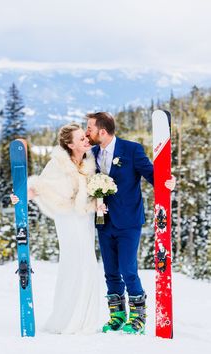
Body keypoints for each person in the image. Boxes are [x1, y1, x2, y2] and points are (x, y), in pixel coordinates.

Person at [85, 112, 176, 334]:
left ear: (102, 131)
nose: (87, 132)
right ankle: (117, 315)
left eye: (89, 128)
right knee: (111, 271)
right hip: (103, 221)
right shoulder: (92, 153)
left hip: (128, 221)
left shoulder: (132, 150)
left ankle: (138, 317)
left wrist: (168, 182)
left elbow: (152, 175)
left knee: (128, 269)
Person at [11, 123, 100, 334]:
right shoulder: (57, 164)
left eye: (85, 137)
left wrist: (98, 200)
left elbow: (92, 190)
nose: (87, 140)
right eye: (81, 139)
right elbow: (39, 187)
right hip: (68, 219)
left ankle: (85, 319)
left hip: (85, 218)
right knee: (74, 262)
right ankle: (67, 319)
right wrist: (21, 196)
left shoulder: (89, 162)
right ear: (70, 144)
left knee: (88, 263)